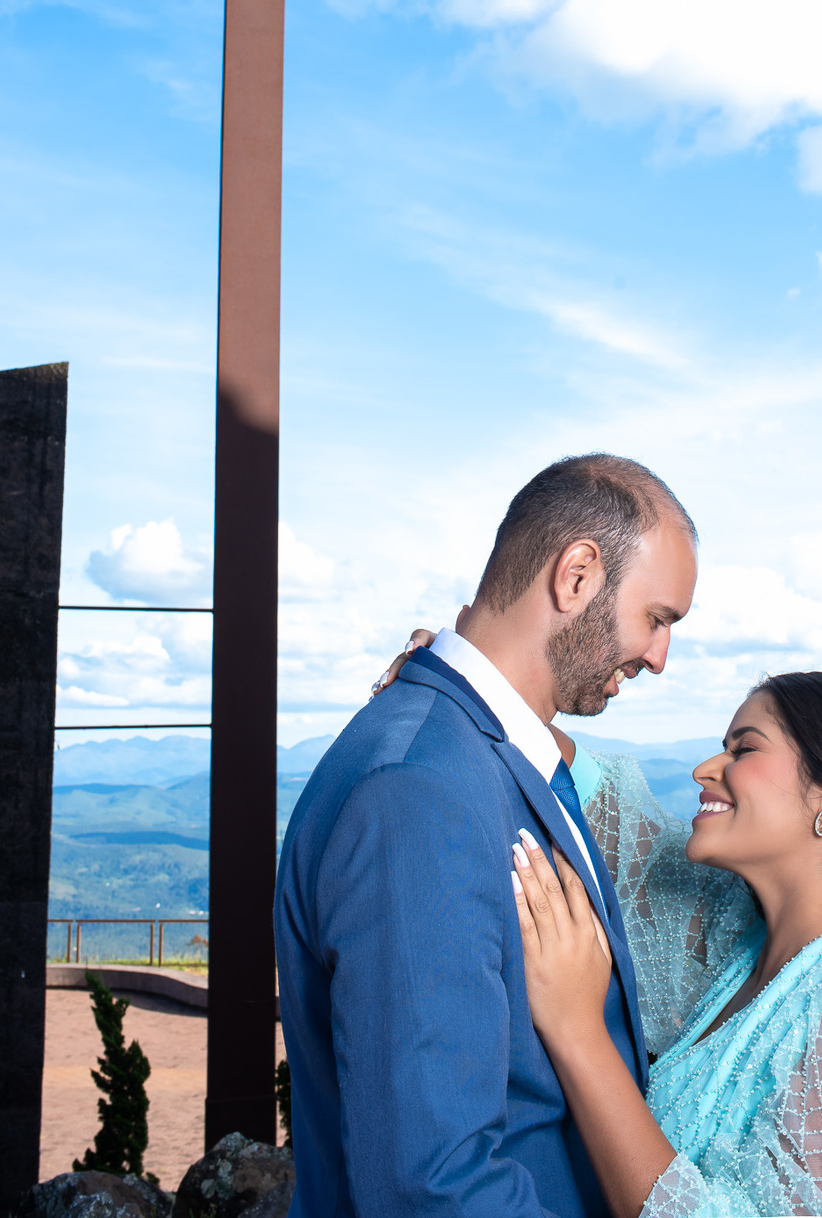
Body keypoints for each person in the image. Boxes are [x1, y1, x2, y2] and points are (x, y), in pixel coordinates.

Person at [274, 453, 699, 1217]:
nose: (660, 658)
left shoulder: (488, 753)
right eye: (657, 618)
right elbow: (431, 1187)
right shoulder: (417, 793)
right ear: (577, 576)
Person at [510, 671, 822, 1218]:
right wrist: (479, 676)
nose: (705, 769)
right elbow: (605, 804)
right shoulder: (736, 949)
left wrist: (577, 1034)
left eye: (744, 749)